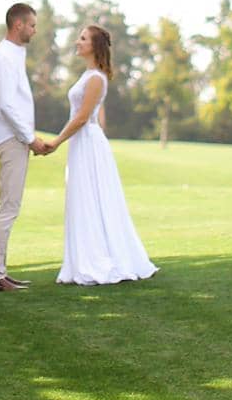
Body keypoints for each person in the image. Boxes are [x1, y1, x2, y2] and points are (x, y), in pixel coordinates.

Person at [43, 23, 158, 286]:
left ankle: (100, 260)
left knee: (92, 198)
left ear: (94, 46)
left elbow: (83, 117)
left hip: (87, 142)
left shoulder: (96, 78)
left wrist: (57, 141)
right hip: (85, 143)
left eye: (82, 38)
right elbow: (95, 115)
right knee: (84, 198)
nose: (77, 42)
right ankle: (83, 258)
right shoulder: (89, 76)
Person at [0, 2, 49, 291]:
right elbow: (8, 104)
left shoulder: (12, 55)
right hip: (12, 140)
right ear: (18, 24)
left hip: (14, 138)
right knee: (8, 208)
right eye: (32, 25)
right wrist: (30, 138)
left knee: (9, 206)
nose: (35, 30)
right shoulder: (4, 57)